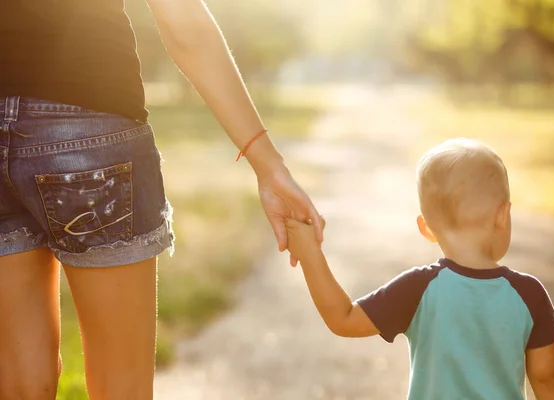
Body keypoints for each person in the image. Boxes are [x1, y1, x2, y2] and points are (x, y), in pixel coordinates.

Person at [0, 0, 322, 399]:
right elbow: (182, 20)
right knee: (123, 390)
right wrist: (268, 165)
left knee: (18, 388)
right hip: (90, 120)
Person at [285, 138, 554, 399]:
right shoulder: (528, 295)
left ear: (427, 229)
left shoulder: (418, 288)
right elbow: (546, 377)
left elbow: (344, 318)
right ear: (502, 215)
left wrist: (311, 255)